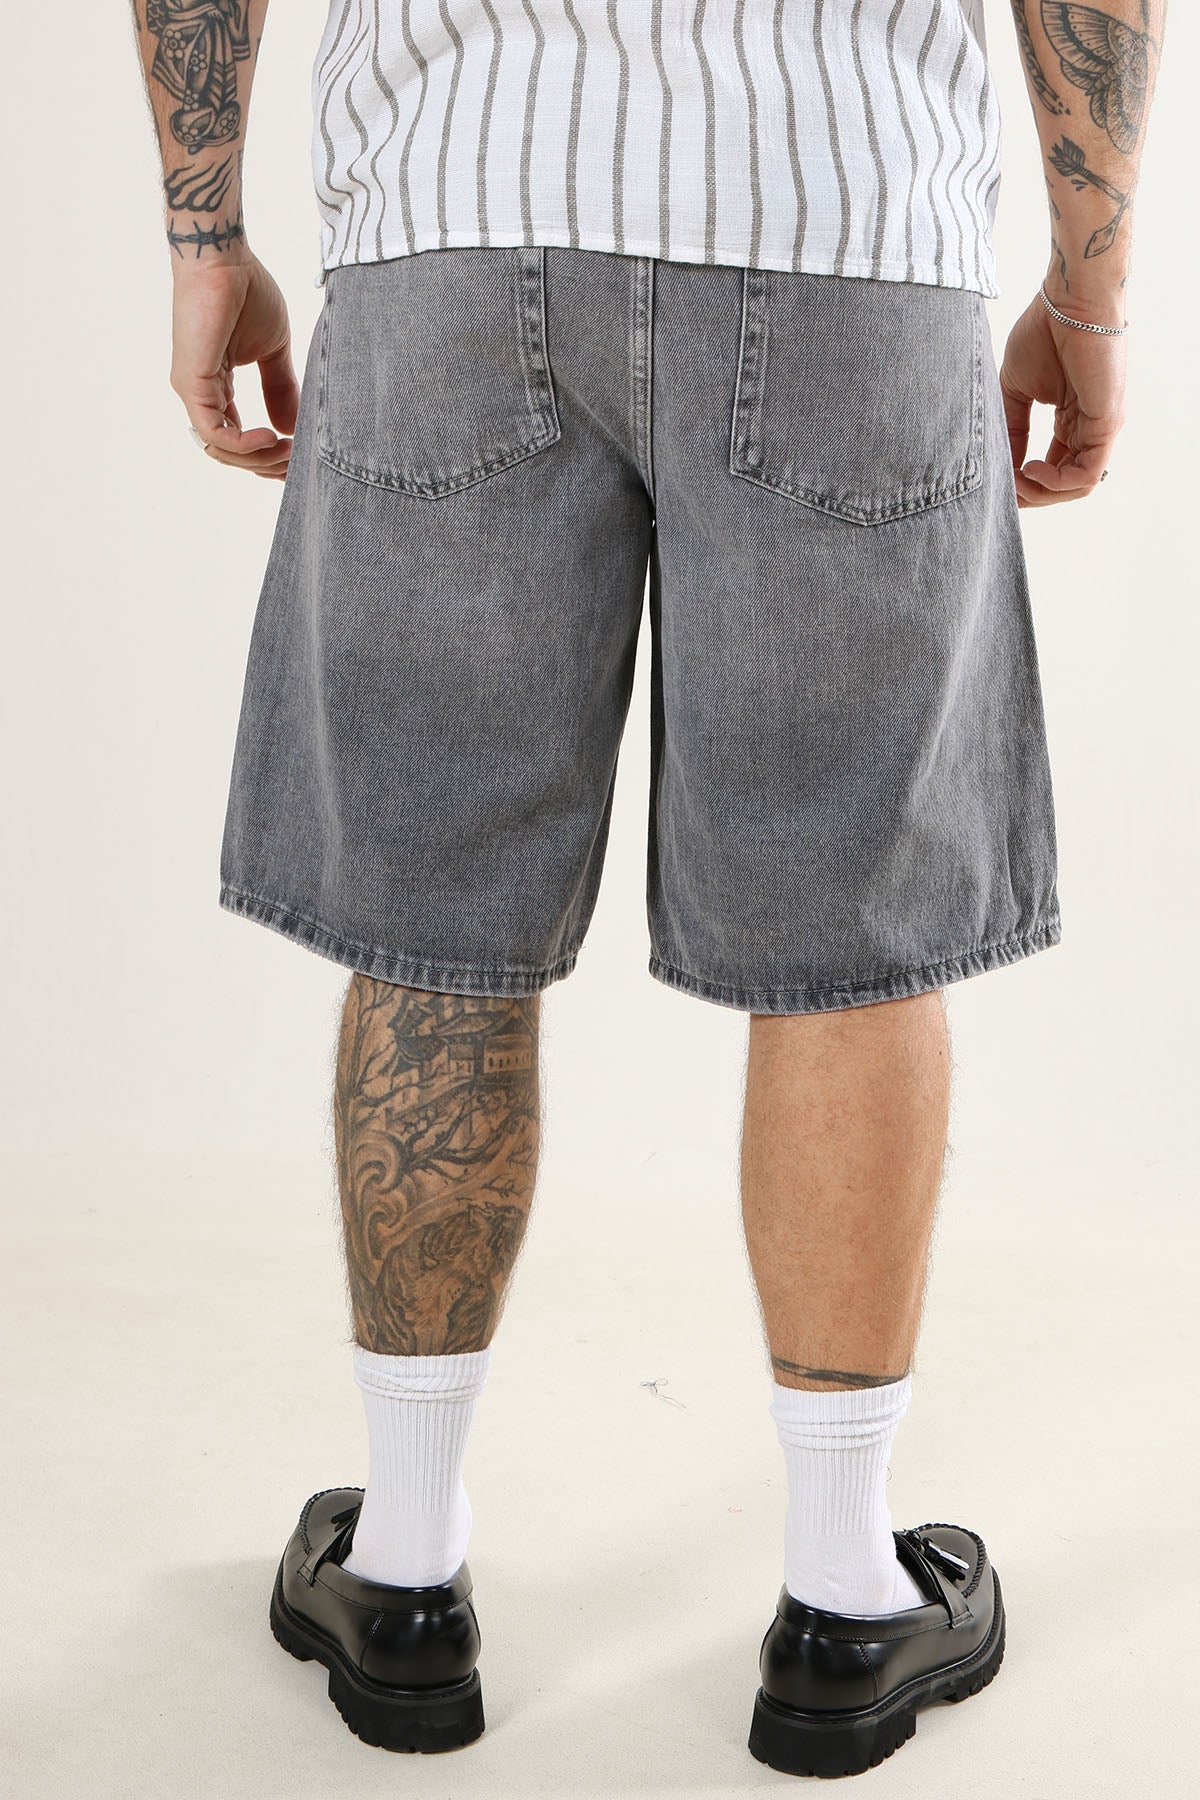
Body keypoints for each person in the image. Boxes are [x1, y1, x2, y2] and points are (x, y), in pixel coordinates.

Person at [131, 0, 1163, 1779]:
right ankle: (845, 1601)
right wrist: (1090, 289)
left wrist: (204, 237)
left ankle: (405, 1571)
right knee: (853, 925)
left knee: (438, 910)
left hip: (458, 202)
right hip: (847, 215)